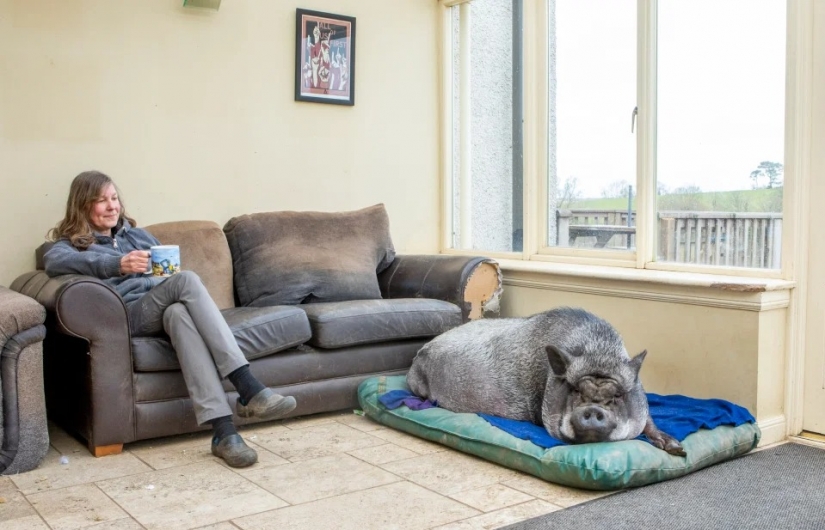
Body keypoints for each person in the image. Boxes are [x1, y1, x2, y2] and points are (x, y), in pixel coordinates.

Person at [43, 170, 297, 468]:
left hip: (163, 309)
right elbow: (53, 261)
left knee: (179, 315)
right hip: (130, 316)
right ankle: (248, 386)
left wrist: (160, 277)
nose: (112, 206)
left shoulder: (137, 235)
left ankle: (224, 432)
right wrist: (117, 264)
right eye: (101, 201)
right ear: (82, 206)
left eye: (114, 198)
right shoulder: (71, 245)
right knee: (187, 280)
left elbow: (168, 274)